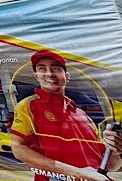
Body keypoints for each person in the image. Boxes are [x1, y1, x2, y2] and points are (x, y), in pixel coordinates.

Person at [11, 49, 122, 181]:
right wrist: (78, 173)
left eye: (56, 68)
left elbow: (113, 166)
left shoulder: (82, 115)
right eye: (42, 69)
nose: (49, 73)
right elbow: (18, 148)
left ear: (67, 76)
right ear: (36, 76)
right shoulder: (29, 105)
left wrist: (114, 151)